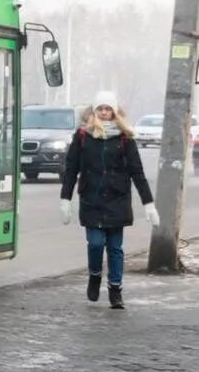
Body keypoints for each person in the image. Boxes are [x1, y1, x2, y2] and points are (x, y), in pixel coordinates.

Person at [60, 91, 157, 310]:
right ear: (94, 111)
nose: (104, 113)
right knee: (95, 243)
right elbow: (71, 169)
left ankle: (115, 290)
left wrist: (148, 204)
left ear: (114, 112)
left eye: (108, 109)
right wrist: (65, 199)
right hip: (91, 200)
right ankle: (95, 276)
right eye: (100, 109)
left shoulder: (125, 138)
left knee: (115, 248)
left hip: (117, 200)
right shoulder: (83, 136)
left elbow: (137, 173)